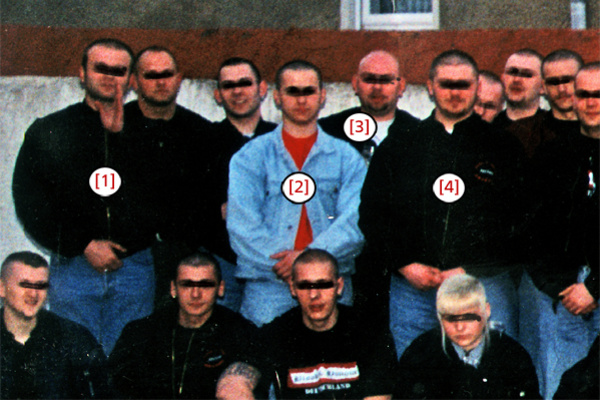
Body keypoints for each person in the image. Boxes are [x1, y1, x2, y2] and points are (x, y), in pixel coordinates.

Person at [359, 50, 527, 359]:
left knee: (488, 371)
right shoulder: (401, 145)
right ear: (430, 86)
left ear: (477, 86)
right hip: (414, 291)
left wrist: (469, 268)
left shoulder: (503, 146)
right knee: (415, 370)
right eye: (446, 84)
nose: (455, 92)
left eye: (463, 84)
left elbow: (521, 221)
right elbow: (372, 214)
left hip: (482, 285)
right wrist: (404, 263)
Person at [11, 38, 156, 355]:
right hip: (74, 267)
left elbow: (159, 200)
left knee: (127, 365)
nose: (109, 77)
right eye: (100, 68)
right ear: (82, 73)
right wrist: (83, 244)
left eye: (118, 70)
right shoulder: (50, 130)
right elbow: (30, 203)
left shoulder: (146, 133)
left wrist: (120, 139)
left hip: (133, 268)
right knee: (74, 363)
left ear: (131, 79)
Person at [227, 60, 366, 326]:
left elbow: (355, 222)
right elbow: (242, 224)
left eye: (309, 91)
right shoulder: (249, 157)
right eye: (292, 91)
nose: (301, 100)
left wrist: (308, 261)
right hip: (269, 286)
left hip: (329, 286)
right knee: (265, 352)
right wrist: (289, 263)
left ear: (322, 96)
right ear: (277, 97)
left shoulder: (347, 158)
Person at [216, 249, 396, 400]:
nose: (314, 295)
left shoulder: (368, 332)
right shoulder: (279, 332)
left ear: (339, 286)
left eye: (323, 285)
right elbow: (231, 385)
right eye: (305, 286)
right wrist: (237, 387)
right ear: (293, 288)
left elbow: (378, 397)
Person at [520, 62, 600, 399]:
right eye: (584, 94)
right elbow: (530, 229)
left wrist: (594, 288)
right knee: (562, 387)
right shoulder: (553, 154)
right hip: (563, 298)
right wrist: (558, 287)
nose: (591, 102)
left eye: (599, 95)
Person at [124, 46, 221, 309]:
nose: (160, 82)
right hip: (129, 263)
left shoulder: (202, 133)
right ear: (134, 81)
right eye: (151, 75)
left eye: (166, 74)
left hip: (183, 261)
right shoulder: (114, 129)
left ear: (179, 79)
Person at [109, 252, 258, 399]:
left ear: (220, 288)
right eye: (187, 285)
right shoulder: (141, 331)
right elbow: (116, 384)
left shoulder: (239, 330)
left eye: (205, 285)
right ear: (173, 288)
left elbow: (259, 360)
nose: (195, 294)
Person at [394, 274, 539, 399]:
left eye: (469, 317)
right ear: (439, 318)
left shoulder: (512, 355)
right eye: (450, 318)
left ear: (486, 311)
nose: (460, 327)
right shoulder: (420, 354)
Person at [211, 57, 277, 312]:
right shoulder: (203, 141)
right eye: (228, 85)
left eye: (245, 83)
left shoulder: (282, 139)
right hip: (221, 262)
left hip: (269, 265)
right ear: (218, 94)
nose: (237, 91)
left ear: (262, 89)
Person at [1, 251, 112, 399]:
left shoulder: (75, 339)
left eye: (40, 286)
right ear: (2, 288)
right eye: (25, 285)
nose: (33, 294)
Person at [319, 50, 419, 163]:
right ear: (355, 84)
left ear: (401, 86)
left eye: (386, 80)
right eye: (369, 79)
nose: (377, 87)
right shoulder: (327, 132)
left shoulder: (420, 135)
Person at [495, 48, 547, 157]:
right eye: (512, 72)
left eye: (527, 75)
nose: (517, 80)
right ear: (502, 79)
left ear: (543, 87)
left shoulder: (552, 132)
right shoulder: (488, 126)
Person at [539, 49, 583, 142]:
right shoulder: (527, 134)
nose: (561, 89)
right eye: (553, 82)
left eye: (567, 80)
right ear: (543, 87)